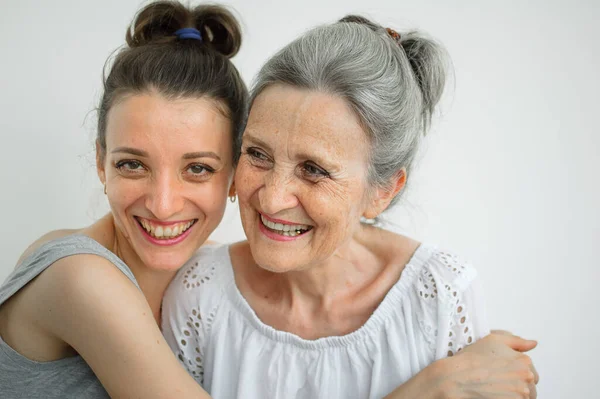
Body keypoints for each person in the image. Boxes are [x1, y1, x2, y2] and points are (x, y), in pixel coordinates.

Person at [163, 15, 539, 399]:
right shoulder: (199, 295)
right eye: (258, 154)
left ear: (383, 191)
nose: (272, 197)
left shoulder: (441, 296)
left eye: (314, 170)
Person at [0, 1, 247, 397]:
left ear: (235, 176)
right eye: (133, 165)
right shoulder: (77, 275)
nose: (163, 204)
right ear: (101, 162)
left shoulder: (213, 274)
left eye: (198, 168)